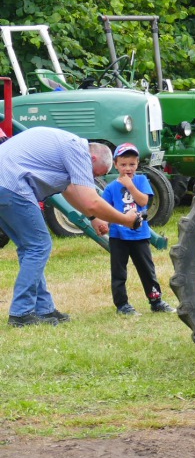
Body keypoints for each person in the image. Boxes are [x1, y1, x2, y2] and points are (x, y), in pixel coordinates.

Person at [0, 128, 148, 327]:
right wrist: (126, 220)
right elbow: (91, 201)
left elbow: (70, 190)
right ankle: (21, 313)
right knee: (38, 246)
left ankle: (44, 309)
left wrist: (93, 218)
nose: (91, 179)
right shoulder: (77, 150)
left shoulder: (68, 147)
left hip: (5, 182)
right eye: (95, 174)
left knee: (30, 248)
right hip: (11, 184)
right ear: (93, 158)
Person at [101, 143, 175, 316]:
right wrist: (103, 223)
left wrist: (130, 186)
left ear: (137, 164)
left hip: (140, 234)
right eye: (123, 164)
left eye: (132, 164)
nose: (128, 168)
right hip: (118, 236)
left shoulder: (141, 181)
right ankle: (122, 305)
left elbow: (143, 202)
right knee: (119, 272)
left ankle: (156, 301)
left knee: (147, 270)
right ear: (116, 164)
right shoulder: (111, 187)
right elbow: (104, 209)